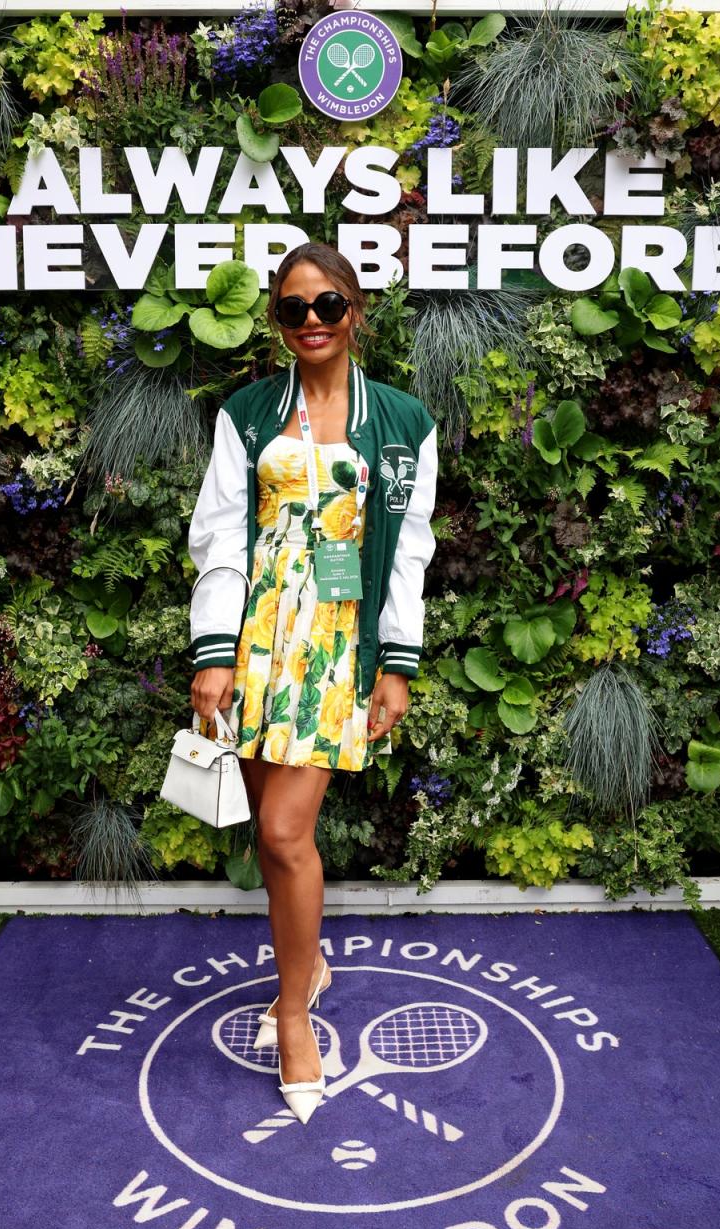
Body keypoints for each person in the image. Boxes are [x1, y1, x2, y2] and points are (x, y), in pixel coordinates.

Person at [187, 242, 439, 1123]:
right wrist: (212, 650)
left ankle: (293, 1013)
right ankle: (310, 964)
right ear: (275, 321)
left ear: (355, 310)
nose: (312, 324)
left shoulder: (402, 420)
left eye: (326, 304)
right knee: (269, 834)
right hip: (257, 641)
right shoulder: (249, 413)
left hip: (338, 648)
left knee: (288, 831)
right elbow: (219, 535)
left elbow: (409, 552)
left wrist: (397, 662)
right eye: (292, 310)